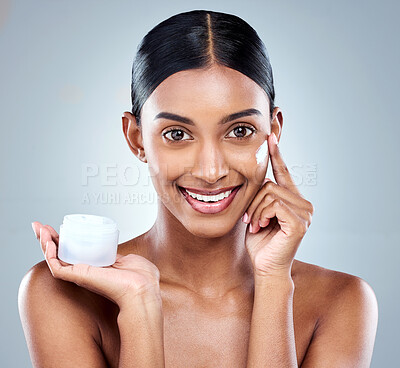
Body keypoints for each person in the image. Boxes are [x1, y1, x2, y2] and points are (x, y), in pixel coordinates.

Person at [18, 9, 378, 368]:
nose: (211, 171)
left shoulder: (342, 302)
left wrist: (273, 284)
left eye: (239, 131)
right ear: (136, 138)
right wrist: (139, 309)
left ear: (274, 130)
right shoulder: (63, 294)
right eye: (177, 134)